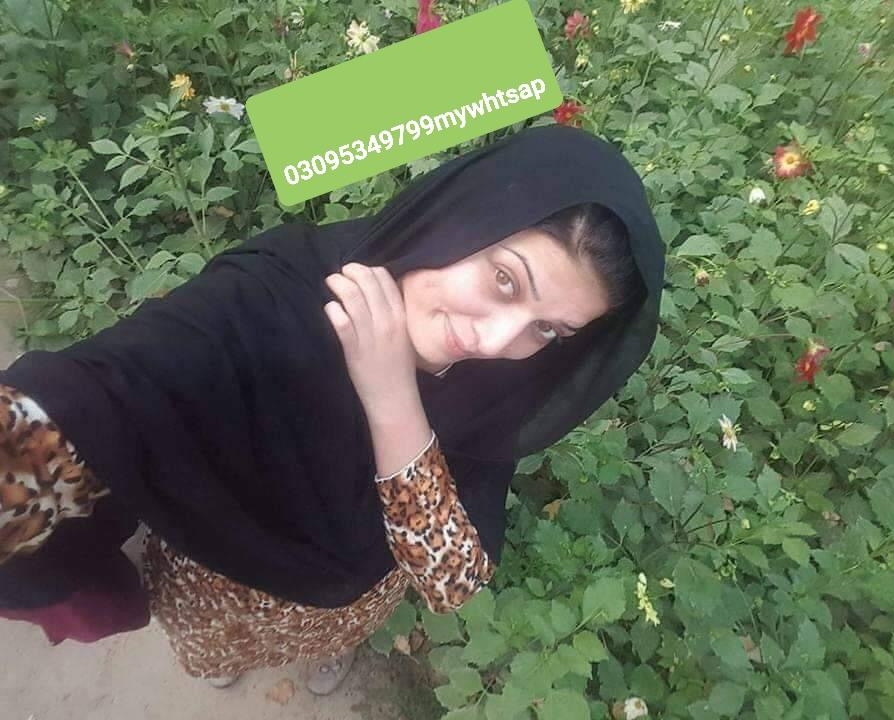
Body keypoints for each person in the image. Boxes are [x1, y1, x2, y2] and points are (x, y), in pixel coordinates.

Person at [0, 124, 665, 695]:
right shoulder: (275, 293)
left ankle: (325, 652)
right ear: (463, 215)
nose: (495, 341)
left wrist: (392, 396)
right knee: (212, 653)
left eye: (548, 330)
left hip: (344, 600)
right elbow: (97, 397)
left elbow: (450, 581)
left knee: (324, 635)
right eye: (505, 280)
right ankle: (223, 662)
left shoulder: (497, 384)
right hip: (218, 583)